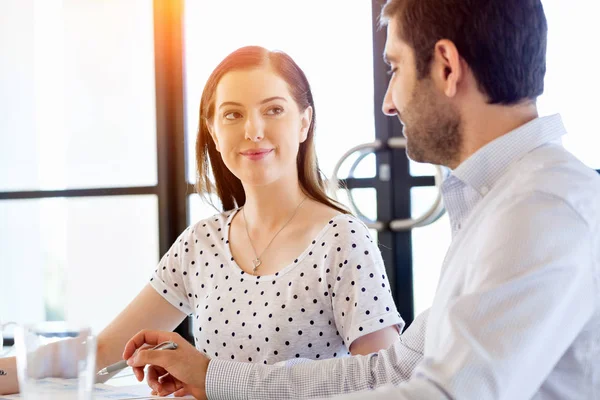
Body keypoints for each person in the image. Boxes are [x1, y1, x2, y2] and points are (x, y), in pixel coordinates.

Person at [121, 0, 600, 399]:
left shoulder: (542, 207)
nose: (389, 101)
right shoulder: (496, 204)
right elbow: (388, 371)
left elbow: (444, 396)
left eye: (395, 68)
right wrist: (214, 378)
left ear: (448, 67)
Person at [0, 46, 404, 396]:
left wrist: (213, 378)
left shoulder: (342, 238)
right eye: (232, 114)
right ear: (212, 129)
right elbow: (103, 351)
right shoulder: (202, 243)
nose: (253, 130)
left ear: (303, 122)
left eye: (274, 110)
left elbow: (385, 382)